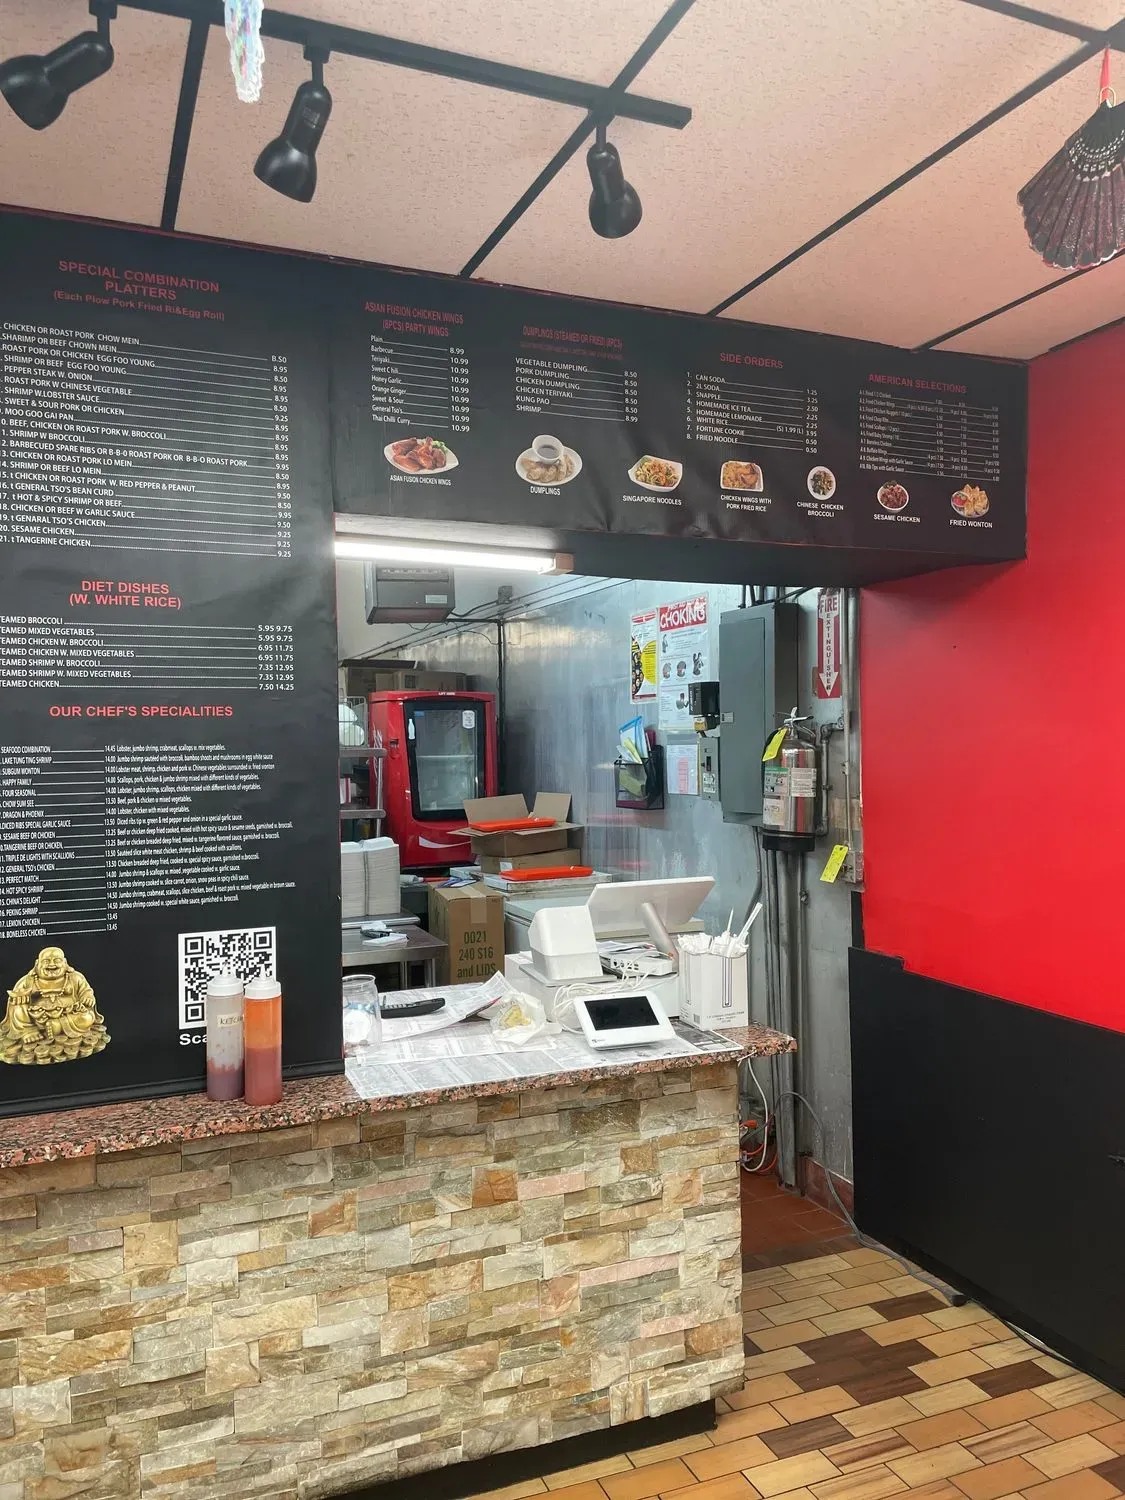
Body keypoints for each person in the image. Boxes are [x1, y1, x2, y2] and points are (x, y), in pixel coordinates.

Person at [0, 947, 109, 1065]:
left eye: (57, 960)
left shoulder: (75, 977)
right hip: (35, 1019)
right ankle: (28, 1031)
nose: (52, 964)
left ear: (65, 963)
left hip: (68, 1014)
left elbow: (86, 991)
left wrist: (87, 997)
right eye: (46, 961)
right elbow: (15, 996)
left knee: (87, 1017)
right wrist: (20, 998)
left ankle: (57, 1026)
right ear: (37, 964)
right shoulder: (28, 980)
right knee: (17, 1007)